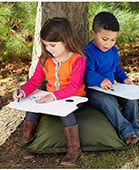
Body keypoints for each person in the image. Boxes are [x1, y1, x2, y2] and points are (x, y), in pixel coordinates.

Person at [13, 17, 86, 166]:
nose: (49, 49)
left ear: (65, 40)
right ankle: (28, 145)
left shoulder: (77, 60)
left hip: (74, 99)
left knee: (66, 115)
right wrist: (23, 91)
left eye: (53, 45)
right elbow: (34, 81)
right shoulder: (45, 59)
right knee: (31, 111)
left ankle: (74, 151)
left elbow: (73, 87)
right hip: (51, 99)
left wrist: (53, 96)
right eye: (46, 45)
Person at [84, 11, 139, 146]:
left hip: (113, 88)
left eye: (113, 40)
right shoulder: (89, 52)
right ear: (93, 34)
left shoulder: (113, 51)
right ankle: (126, 132)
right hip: (94, 90)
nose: (108, 44)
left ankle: (135, 130)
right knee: (108, 102)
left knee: (131, 100)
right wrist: (100, 80)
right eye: (104, 39)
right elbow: (87, 73)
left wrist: (124, 79)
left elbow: (116, 69)